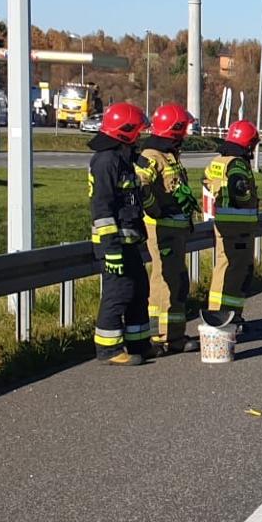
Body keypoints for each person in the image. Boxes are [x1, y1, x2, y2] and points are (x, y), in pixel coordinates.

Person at [88, 102, 152, 366]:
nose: (139, 136)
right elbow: (102, 209)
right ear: (124, 131)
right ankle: (109, 350)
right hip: (114, 243)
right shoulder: (106, 161)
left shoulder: (122, 157)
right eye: (136, 131)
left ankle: (139, 343)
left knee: (139, 290)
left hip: (130, 240)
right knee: (119, 293)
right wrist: (110, 248)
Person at [136, 103, 199, 354]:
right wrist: (155, 209)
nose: (185, 133)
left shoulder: (170, 153)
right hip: (163, 230)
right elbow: (141, 186)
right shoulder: (153, 156)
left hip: (174, 231)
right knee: (167, 281)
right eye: (183, 128)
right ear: (174, 129)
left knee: (174, 280)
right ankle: (165, 336)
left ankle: (169, 334)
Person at [203, 120, 260, 332]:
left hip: (223, 224)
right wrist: (247, 197)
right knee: (237, 272)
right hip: (238, 227)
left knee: (224, 268)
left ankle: (221, 313)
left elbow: (207, 181)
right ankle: (227, 316)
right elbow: (239, 190)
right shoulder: (237, 164)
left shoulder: (219, 160)